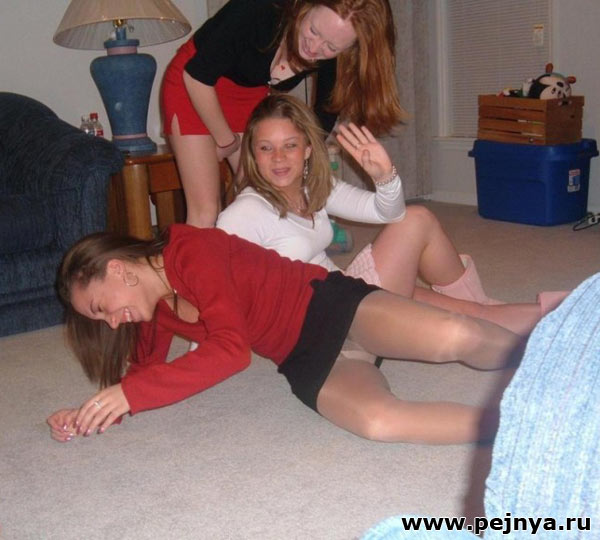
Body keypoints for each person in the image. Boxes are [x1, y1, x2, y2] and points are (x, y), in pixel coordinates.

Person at [47, 225, 525, 446]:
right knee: (378, 422)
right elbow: (146, 376)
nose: (112, 322)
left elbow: (231, 351)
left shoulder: (192, 249)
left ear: (117, 269)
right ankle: (520, 429)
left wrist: (129, 394)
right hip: (303, 359)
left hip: (332, 308)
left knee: (454, 335)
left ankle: (551, 356)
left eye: (100, 308)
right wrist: (92, 413)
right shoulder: (150, 312)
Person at [217, 94, 567, 337]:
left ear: (308, 149)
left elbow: (387, 211)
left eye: (290, 145)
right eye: (266, 148)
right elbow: (214, 284)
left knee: (475, 312)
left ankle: (575, 316)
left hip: (343, 291)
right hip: (330, 323)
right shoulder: (245, 212)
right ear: (253, 153)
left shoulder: (314, 187)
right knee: (416, 222)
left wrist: (384, 176)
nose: (278, 158)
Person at [360, 272, 599, 539]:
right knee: (378, 422)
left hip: (331, 300)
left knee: (462, 332)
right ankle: (530, 427)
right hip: (320, 358)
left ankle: (551, 365)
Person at [160, 0, 404, 227]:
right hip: (194, 84)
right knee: (206, 210)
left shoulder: (338, 56)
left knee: (262, 198)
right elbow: (197, 75)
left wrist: (302, 159)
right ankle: (190, 260)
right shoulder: (258, 8)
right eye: (313, 31)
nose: (314, 47)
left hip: (247, 95)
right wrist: (227, 141)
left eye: (330, 47)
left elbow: (323, 116)